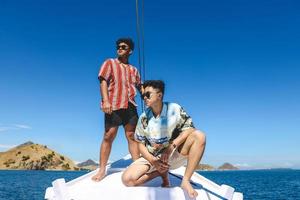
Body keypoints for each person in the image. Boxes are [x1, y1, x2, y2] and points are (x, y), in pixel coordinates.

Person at [121, 80, 206, 198]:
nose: (144, 98)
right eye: (143, 95)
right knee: (127, 180)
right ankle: (160, 172)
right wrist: (153, 161)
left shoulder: (174, 109)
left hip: (173, 154)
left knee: (199, 136)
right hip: (153, 156)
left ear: (159, 95)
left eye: (148, 94)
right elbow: (140, 143)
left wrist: (171, 146)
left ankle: (186, 181)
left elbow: (190, 129)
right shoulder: (144, 117)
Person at [92, 38, 142, 182]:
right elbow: (103, 81)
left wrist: (146, 92)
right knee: (109, 135)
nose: (119, 48)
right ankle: (102, 170)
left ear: (130, 51)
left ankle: (136, 167)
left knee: (132, 136)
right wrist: (106, 101)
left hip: (131, 105)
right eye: (118, 47)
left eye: (123, 47)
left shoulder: (134, 70)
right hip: (113, 104)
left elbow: (139, 85)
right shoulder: (110, 63)